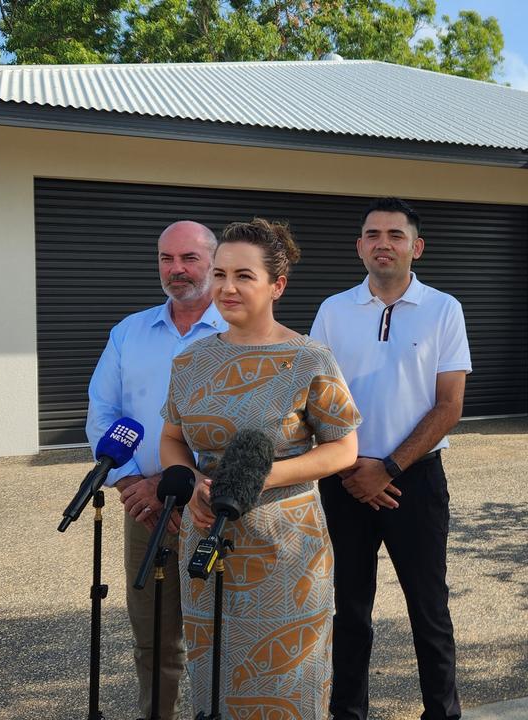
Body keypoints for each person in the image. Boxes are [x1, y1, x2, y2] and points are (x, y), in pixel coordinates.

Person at [159, 218, 361, 719]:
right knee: (214, 680)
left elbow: (343, 450)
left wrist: (262, 477)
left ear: (277, 285)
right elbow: (171, 439)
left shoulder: (309, 358)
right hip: (206, 543)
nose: (227, 287)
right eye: (221, 274)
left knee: (288, 684)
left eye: (244, 276)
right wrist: (191, 488)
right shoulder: (191, 361)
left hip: (286, 552)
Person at [311, 197, 471, 720]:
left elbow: (449, 407)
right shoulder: (333, 311)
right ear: (359, 247)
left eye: (395, 235)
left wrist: (390, 468)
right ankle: (348, 713)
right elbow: (313, 397)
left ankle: (442, 714)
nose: (384, 243)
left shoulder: (444, 308)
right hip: (345, 478)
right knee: (349, 609)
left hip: (415, 481)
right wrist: (354, 468)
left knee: (429, 610)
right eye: (373, 234)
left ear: (415, 247)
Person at [86, 220, 226, 720]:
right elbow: (103, 409)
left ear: (214, 262)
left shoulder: (239, 334)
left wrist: (186, 490)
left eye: (189, 258)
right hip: (143, 509)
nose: (177, 269)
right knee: (153, 641)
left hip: (215, 511)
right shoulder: (129, 332)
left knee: (220, 636)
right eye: (167, 259)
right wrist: (129, 484)